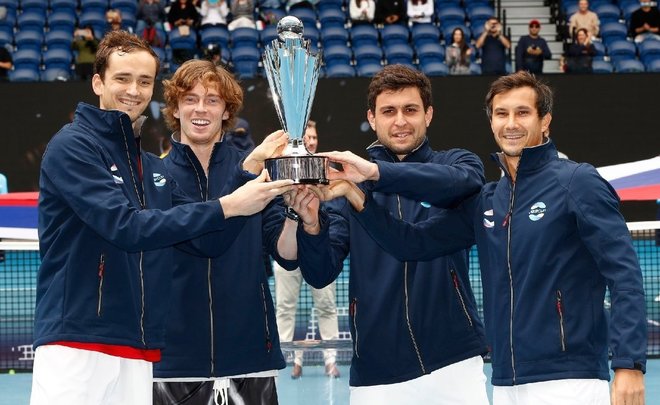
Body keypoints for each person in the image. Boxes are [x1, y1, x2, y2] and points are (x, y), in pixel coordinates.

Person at [29, 30, 294, 405]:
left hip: (138, 347)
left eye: (144, 81)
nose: (133, 90)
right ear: (98, 82)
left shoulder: (148, 167)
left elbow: (208, 240)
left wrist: (246, 175)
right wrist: (230, 205)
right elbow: (126, 227)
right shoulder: (73, 145)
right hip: (77, 341)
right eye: (122, 78)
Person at [355, 70, 648, 405]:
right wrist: (357, 198)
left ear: (545, 121)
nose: (511, 124)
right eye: (501, 114)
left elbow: (624, 274)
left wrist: (629, 363)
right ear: (491, 121)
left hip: (570, 379)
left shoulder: (577, 182)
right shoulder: (488, 199)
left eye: (522, 113)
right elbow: (411, 244)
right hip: (506, 382)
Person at [296, 64, 490, 404]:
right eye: (389, 111)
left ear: (428, 114)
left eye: (410, 110)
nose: (400, 121)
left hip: (454, 364)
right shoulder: (346, 189)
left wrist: (375, 173)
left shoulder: (458, 163)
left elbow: (460, 183)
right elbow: (319, 272)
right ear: (372, 119)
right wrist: (311, 224)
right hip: (377, 373)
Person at [153, 59, 303, 405]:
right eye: (190, 99)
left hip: (250, 357)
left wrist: (297, 212)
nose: (200, 109)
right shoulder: (156, 176)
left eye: (212, 100)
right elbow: (205, 242)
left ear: (226, 111)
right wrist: (245, 174)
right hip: (174, 360)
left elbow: (288, 255)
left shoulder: (259, 172)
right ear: (174, 108)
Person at [273, 120, 341, 380]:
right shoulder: (280, 170)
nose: (310, 141)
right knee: (285, 307)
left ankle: (331, 360)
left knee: (327, 306)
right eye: (306, 138)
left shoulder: (326, 171)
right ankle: (286, 359)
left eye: (313, 137)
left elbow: (334, 211)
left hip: (319, 252)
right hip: (287, 251)